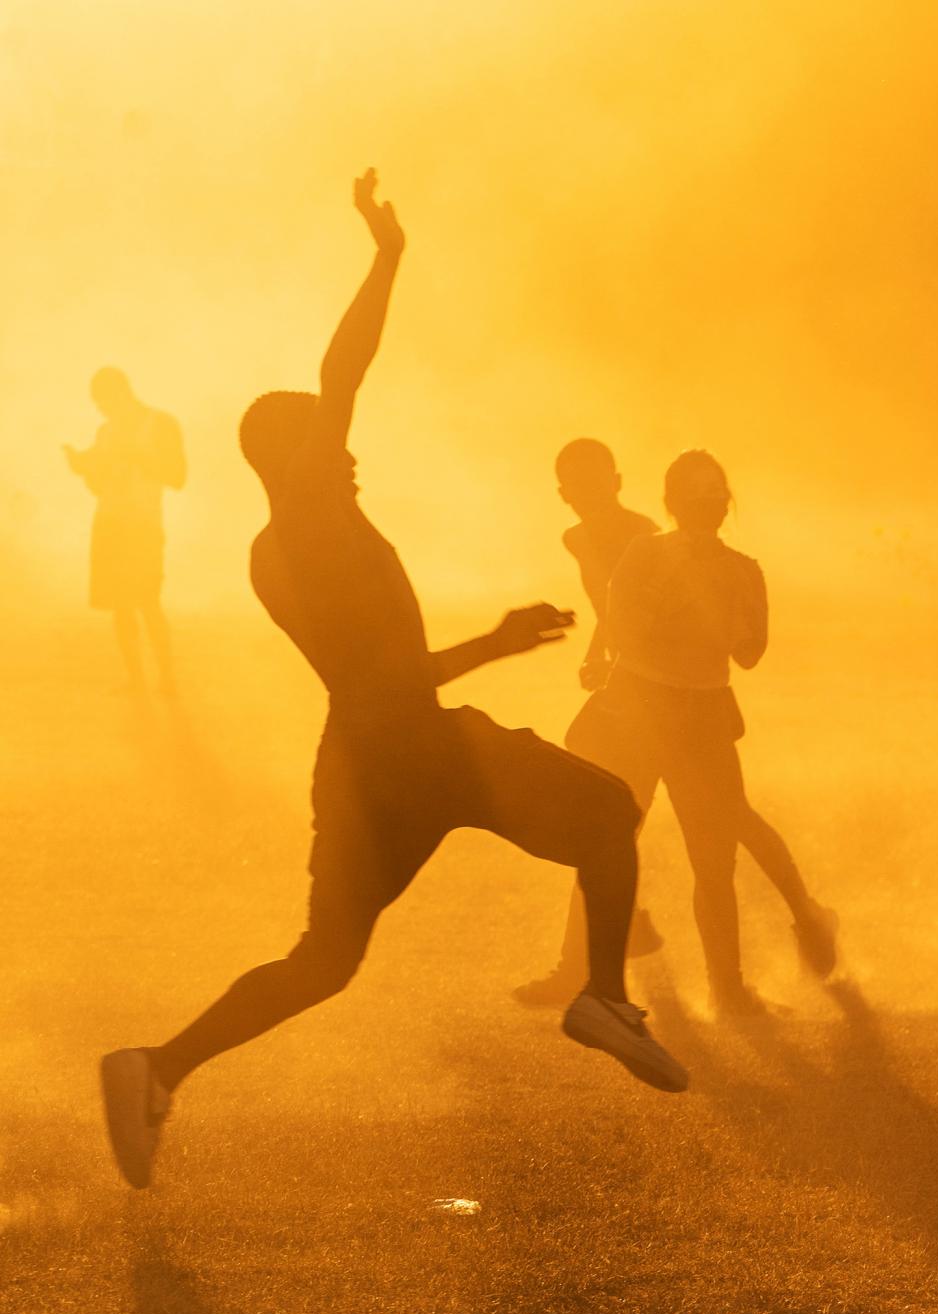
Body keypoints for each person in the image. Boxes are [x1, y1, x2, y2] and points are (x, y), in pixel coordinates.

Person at [98, 172, 686, 1190]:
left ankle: (158, 1066)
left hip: (366, 761)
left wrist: (490, 645)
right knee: (604, 810)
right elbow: (343, 374)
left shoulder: (270, 553)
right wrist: (387, 254)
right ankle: (598, 997)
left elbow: (377, 680)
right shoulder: (315, 511)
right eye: (336, 445)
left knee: (324, 961)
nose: (355, 456)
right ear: (301, 455)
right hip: (423, 750)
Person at [510, 440, 838, 1006]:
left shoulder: (741, 570)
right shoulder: (644, 552)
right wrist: (665, 609)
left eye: (714, 496)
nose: (705, 505)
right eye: (693, 497)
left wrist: (727, 615)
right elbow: (623, 626)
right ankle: (577, 967)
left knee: (714, 853)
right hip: (640, 714)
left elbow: (749, 653)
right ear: (672, 503)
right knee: (610, 838)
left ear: (725, 504)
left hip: (704, 717)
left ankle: (734, 983)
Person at [65, 366, 185, 691]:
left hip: (143, 524)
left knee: (147, 601)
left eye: (103, 402)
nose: (101, 410)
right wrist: (82, 467)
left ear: (121, 392)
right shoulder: (105, 432)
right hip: (109, 523)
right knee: (119, 605)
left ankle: (167, 677)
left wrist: (139, 457)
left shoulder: (159, 425)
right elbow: (101, 485)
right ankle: (136, 679)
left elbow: (178, 476)